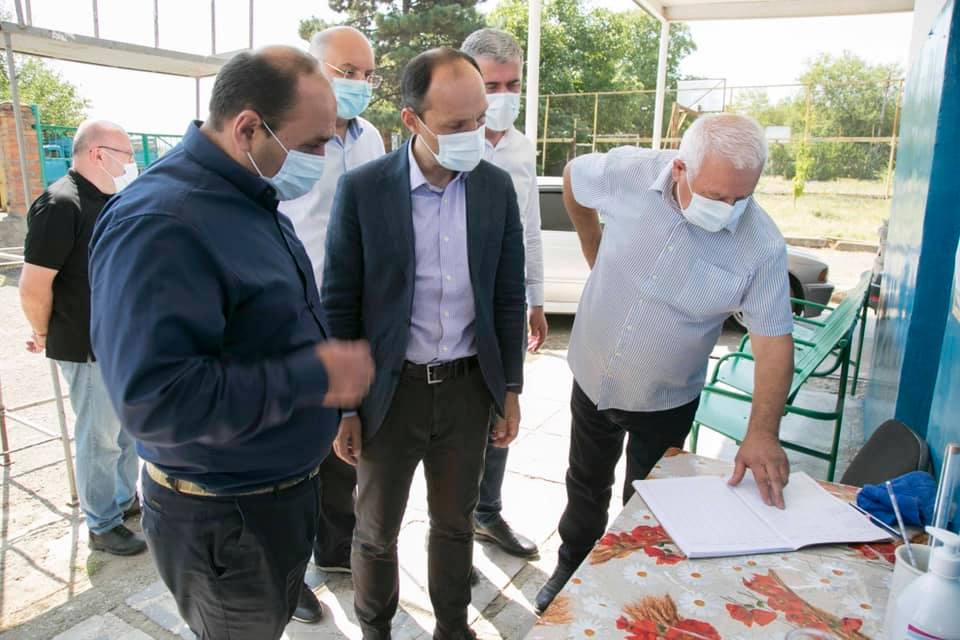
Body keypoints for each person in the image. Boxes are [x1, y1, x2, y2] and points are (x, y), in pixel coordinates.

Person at [88, 47, 374, 640]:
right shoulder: (163, 223)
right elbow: (155, 401)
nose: (323, 159)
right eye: (314, 144)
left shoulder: (248, 195)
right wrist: (315, 376)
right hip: (224, 518)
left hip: (274, 498)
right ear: (248, 128)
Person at [534, 113, 796, 614]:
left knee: (649, 503)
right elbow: (572, 178)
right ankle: (570, 569)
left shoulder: (761, 245)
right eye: (716, 196)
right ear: (680, 168)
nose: (729, 210)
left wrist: (762, 432)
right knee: (585, 484)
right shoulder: (629, 172)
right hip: (592, 373)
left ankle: (630, 593)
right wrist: (593, 246)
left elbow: (774, 344)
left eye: (742, 197)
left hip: (667, 398)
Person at [323, 47, 526, 640]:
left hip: (466, 391)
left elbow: (506, 296)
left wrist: (509, 389)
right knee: (375, 532)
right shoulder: (364, 191)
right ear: (412, 120)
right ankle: (376, 629)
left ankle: (452, 627)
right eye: (457, 124)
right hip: (389, 395)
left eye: (479, 119)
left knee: (455, 525)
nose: (474, 134)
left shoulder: (493, 189)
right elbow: (340, 304)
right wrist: (344, 407)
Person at [277, 25, 386, 624]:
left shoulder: (372, 138)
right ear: (314, 69)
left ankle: (336, 547)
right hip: (296, 316)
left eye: (367, 74)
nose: (359, 84)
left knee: (344, 443)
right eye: (348, 72)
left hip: (353, 315)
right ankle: (288, 576)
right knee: (293, 455)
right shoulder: (287, 136)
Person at [19, 120, 146, 557]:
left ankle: (123, 500)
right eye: (126, 155)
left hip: (119, 342)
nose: (131, 163)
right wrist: (42, 331)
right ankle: (102, 523)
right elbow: (34, 286)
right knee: (99, 438)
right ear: (97, 154)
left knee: (125, 434)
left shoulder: (109, 201)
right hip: (86, 345)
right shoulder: (60, 203)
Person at [460, 28, 543, 560]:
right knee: (450, 419)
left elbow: (530, 227)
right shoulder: (444, 141)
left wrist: (537, 298)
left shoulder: (521, 147)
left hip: (505, 302)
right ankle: (449, 530)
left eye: (513, 85)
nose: (504, 96)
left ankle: (486, 513)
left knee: (502, 408)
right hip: (453, 303)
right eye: (492, 86)